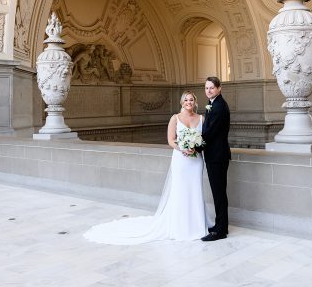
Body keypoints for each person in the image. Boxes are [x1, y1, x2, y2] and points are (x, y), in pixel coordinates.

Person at [83, 91, 211, 244]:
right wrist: (182, 148)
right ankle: (181, 226)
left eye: (191, 100)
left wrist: (196, 148)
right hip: (181, 160)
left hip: (196, 161)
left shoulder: (201, 118)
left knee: (195, 189)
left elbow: (205, 139)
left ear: (195, 102)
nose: (188, 102)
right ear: (181, 102)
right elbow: (171, 140)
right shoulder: (175, 118)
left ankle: (197, 225)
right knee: (181, 190)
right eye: (186, 100)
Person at [200, 76, 231, 242]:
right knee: (218, 193)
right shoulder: (214, 104)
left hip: (217, 156)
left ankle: (220, 231)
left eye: (211, 88)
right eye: (206, 88)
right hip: (215, 155)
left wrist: (195, 146)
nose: (209, 91)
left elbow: (209, 133)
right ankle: (220, 225)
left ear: (219, 88)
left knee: (219, 194)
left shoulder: (218, 107)